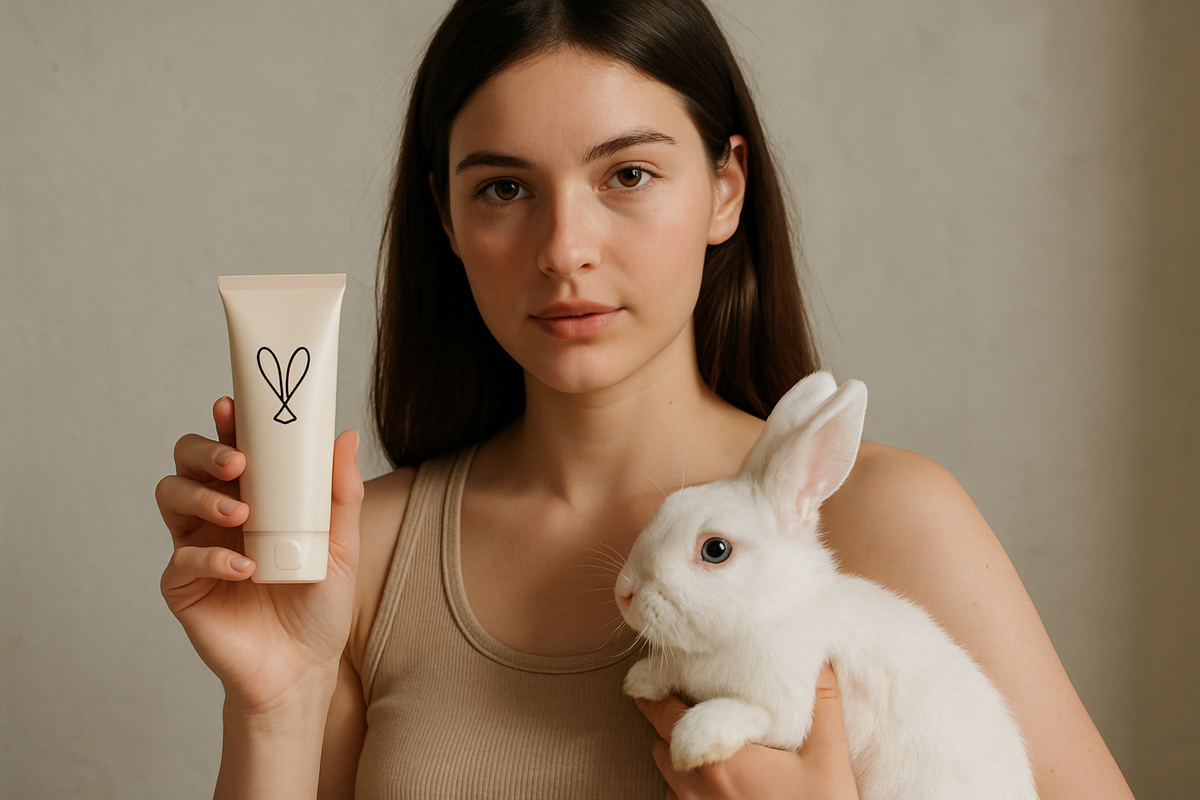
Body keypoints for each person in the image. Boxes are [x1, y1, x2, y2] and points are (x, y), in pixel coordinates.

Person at [156, 0, 1136, 797]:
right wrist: (273, 701)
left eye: (627, 173)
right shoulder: (359, 556)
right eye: (504, 189)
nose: (565, 249)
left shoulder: (889, 518)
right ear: (445, 218)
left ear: (725, 188)